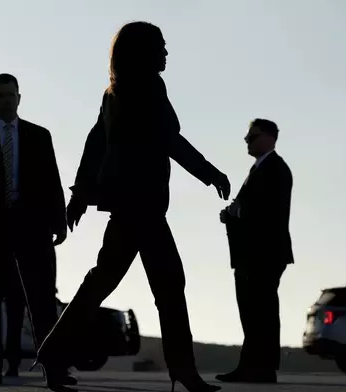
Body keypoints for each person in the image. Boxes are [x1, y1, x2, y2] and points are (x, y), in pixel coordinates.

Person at [33, 21, 230, 392]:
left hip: (130, 206)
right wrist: (211, 173)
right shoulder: (149, 88)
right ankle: (184, 372)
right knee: (169, 285)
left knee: (104, 281)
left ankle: (53, 353)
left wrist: (79, 196)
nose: (167, 54)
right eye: (162, 47)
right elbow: (170, 139)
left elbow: (96, 144)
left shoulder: (114, 91)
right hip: (143, 207)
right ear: (145, 52)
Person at [0, 73, 74, 386]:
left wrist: (58, 222)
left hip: (32, 227)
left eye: (10, 95)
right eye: (0, 95)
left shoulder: (39, 135)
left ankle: (54, 371)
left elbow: (52, 181)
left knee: (42, 303)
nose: (6, 100)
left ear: (19, 98)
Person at [216, 119, 294, 384]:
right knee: (253, 310)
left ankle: (260, 367)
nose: (248, 141)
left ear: (270, 137)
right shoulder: (259, 169)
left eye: (253, 136)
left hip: (265, 252)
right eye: (247, 137)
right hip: (252, 253)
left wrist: (237, 212)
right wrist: (232, 214)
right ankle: (254, 366)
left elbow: (270, 211)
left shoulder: (276, 169)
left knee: (261, 310)